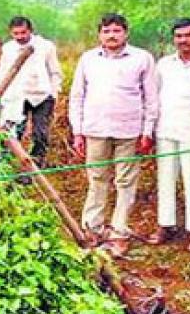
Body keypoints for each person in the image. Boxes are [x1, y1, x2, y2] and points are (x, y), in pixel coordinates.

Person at [68, 13, 159, 256]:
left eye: (117, 31)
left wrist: (147, 131)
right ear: (100, 35)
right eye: (107, 31)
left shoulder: (142, 58)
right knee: (97, 179)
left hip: (130, 130)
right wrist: (77, 132)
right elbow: (77, 96)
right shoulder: (88, 59)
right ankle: (92, 228)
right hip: (95, 129)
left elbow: (151, 97)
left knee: (126, 181)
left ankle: (119, 233)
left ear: (126, 34)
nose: (112, 35)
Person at [146, 18, 190, 252]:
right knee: (165, 180)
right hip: (165, 130)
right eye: (179, 36)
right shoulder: (164, 64)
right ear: (174, 39)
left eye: (189, 35)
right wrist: (150, 128)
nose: (184, 40)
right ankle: (166, 225)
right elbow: (153, 97)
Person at [3, 16, 63, 167]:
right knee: (15, 132)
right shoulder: (7, 49)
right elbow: (4, 72)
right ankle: (12, 165)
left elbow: (55, 72)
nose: (20, 37)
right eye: (16, 33)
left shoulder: (46, 46)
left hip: (42, 96)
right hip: (18, 96)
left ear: (31, 30)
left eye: (23, 33)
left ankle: (35, 167)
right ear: (11, 33)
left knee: (40, 133)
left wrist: (54, 93)